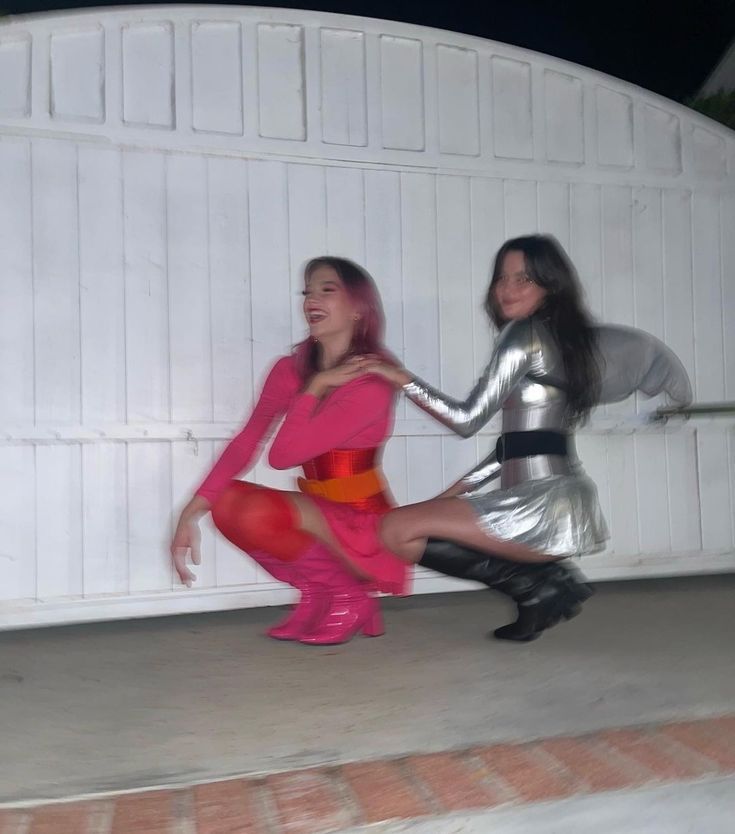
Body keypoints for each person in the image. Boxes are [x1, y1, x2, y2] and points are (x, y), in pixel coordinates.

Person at [361, 235, 692, 641]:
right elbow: (519, 446)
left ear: (550, 287)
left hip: (540, 504)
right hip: (554, 500)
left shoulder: (523, 335)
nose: (507, 289)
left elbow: (466, 419)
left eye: (524, 279)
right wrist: (458, 490)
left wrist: (402, 379)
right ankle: (539, 590)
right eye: (502, 277)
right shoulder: (556, 340)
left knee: (396, 530)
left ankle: (538, 585)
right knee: (411, 527)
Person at [170, 256, 409, 645]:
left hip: (363, 522)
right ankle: (321, 592)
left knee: (256, 511)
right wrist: (190, 512)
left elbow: (283, 456)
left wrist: (315, 388)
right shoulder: (290, 368)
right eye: (307, 291)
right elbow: (248, 440)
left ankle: (350, 596)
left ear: (358, 308)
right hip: (320, 514)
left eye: (326, 290)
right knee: (226, 501)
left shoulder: (372, 381)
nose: (311, 300)